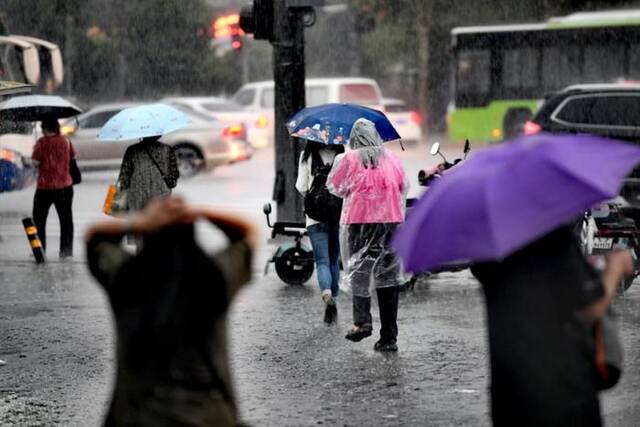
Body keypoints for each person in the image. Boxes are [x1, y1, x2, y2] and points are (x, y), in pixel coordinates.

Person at [85, 197, 256, 427]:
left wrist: (139, 221)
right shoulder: (211, 278)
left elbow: (94, 237)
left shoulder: (128, 278)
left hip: (138, 416)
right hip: (209, 416)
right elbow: (248, 234)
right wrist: (196, 211)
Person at [471, 226, 634, 427]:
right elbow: (588, 309)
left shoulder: (487, 250)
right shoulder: (553, 238)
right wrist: (616, 268)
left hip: (510, 398)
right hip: (563, 397)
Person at [328, 118, 408, 352]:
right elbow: (403, 185)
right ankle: (389, 337)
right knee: (388, 278)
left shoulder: (348, 159)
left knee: (360, 273)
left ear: (354, 139)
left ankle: (362, 322)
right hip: (391, 222)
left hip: (360, 222)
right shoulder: (392, 158)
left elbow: (337, 188)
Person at [296, 140, 345, 324]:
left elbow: (301, 187)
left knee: (322, 261)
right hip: (337, 216)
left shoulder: (306, 155)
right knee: (334, 259)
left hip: (314, 218)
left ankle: (326, 294)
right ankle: (334, 297)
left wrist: (314, 197)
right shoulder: (343, 155)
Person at [31, 117, 76, 258]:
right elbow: (73, 157)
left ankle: (40, 248)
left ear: (44, 128)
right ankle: (66, 250)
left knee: (39, 220)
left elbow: (35, 162)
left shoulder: (41, 143)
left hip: (45, 187)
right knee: (66, 220)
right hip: (64, 186)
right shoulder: (66, 141)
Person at [117, 135, 179, 213]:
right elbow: (173, 179)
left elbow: (123, 178)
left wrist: (118, 202)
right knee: (159, 222)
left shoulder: (132, 150)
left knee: (140, 222)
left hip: (137, 197)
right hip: (161, 198)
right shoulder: (167, 149)